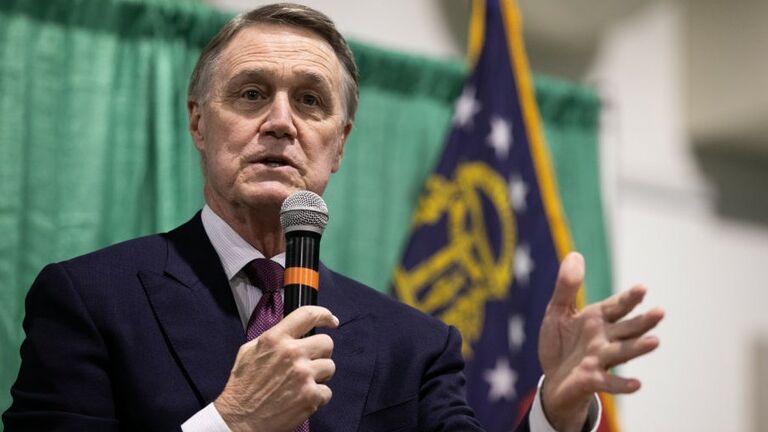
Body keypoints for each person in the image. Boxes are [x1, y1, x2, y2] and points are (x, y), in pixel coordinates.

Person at [2, 3, 664, 432]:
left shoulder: (416, 346)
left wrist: (553, 411)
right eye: (251, 94)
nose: (280, 122)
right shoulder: (90, 300)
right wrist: (230, 422)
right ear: (199, 123)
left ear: (339, 145)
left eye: (310, 101)